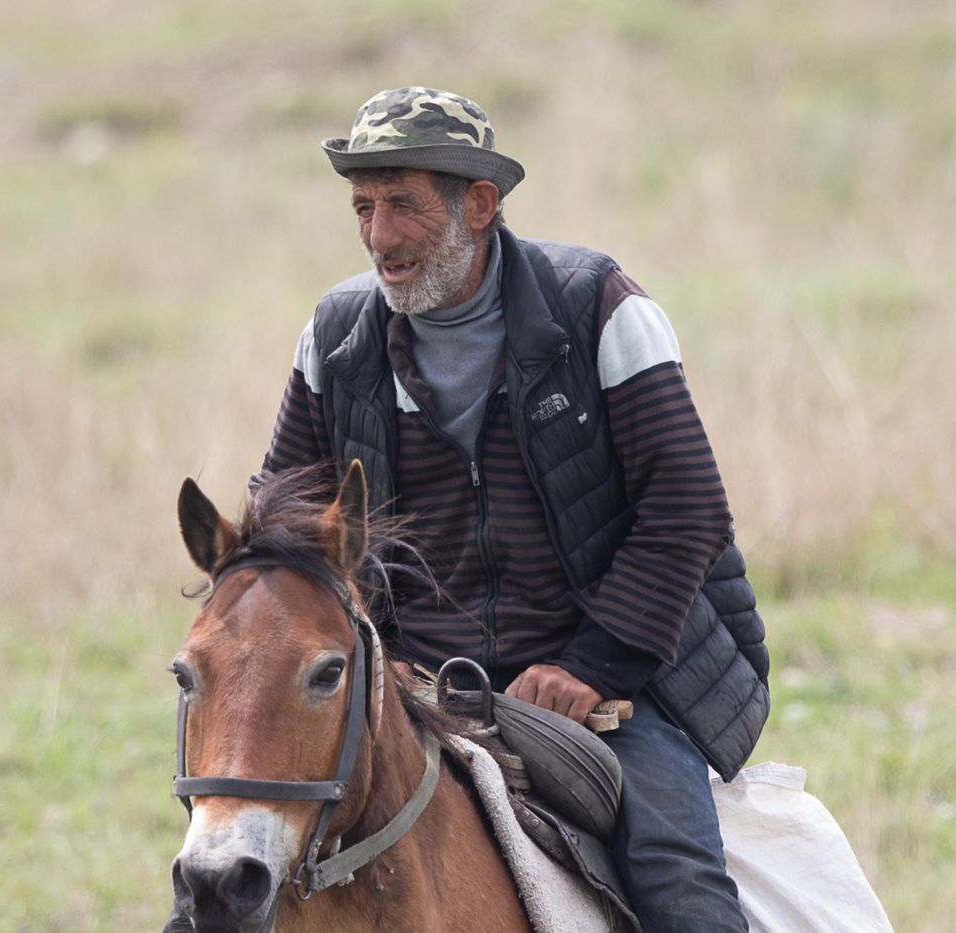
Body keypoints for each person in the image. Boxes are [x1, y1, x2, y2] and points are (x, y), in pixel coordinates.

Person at [240, 87, 767, 933]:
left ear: (479, 204)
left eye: (402, 206)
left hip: (610, 689)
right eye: (363, 208)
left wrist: (591, 663)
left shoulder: (598, 308)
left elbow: (686, 508)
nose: (379, 238)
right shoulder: (337, 336)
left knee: (681, 886)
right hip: (409, 686)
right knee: (223, 885)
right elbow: (285, 529)